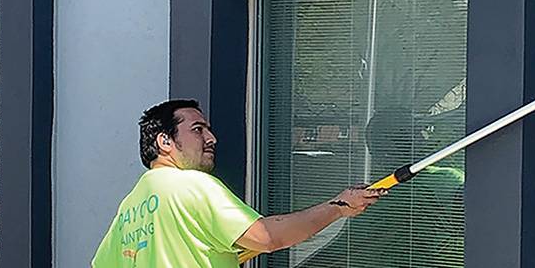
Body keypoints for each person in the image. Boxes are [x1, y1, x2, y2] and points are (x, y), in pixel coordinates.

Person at [92, 99, 385, 267]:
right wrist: (339, 207)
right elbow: (267, 237)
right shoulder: (191, 185)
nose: (211, 138)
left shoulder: (129, 209)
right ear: (165, 141)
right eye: (198, 130)